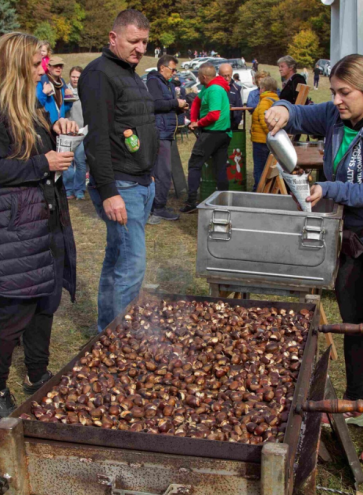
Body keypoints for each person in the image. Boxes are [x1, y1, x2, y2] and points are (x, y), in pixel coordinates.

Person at [264, 53, 363, 467]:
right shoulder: (335, 117)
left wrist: (329, 189)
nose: (336, 100)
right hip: (353, 238)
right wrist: (282, 109)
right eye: (333, 92)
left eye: (344, 93)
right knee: (354, 326)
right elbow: (299, 114)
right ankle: (356, 404)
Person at [0, 32, 78, 417]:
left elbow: (36, 144)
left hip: (44, 221)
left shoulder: (31, 106)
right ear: (18, 62)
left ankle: (37, 374)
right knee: (13, 314)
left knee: (45, 302)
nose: (45, 63)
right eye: (39, 57)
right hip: (13, 231)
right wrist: (44, 163)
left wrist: (59, 129)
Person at [79, 10, 158, 335]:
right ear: (113, 38)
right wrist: (109, 191)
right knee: (131, 265)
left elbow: (135, 121)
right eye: (133, 41)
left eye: (144, 42)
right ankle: (119, 343)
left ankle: (105, 334)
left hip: (139, 180)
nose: (140, 48)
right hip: (120, 186)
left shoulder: (129, 72)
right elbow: (96, 139)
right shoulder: (100, 75)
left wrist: (147, 172)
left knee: (117, 260)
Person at [180, 62, 232, 213]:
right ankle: (224, 202)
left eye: (198, 75)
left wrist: (198, 123)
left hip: (213, 133)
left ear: (203, 76)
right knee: (220, 167)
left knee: (194, 165)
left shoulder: (214, 89)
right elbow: (196, 101)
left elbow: (214, 115)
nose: (197, 77)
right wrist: (193, 118)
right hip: (222, 134)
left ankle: (191, 202)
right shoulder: (209, 87)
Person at [145, 54, 187, 223]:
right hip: (160, 132)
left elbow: (165, 106)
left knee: (162, 171)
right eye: (172, 69)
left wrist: (178, 109)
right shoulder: (154, 82)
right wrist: (176, 104)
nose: (174, 73)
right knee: (163, 171)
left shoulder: (165, 83)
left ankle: (157, 206)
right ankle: (158, 208)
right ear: (162, 68)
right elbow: (155, 104)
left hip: (166, 131)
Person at [249, 76, 279, 191]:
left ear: (263, 89)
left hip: (261, 142)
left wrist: (272, 135)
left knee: (260, 170)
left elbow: (265, 121)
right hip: (269, 142)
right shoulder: (276, 100)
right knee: (268, 170)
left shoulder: (264, 102)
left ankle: (259, 191)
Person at [63, 65, 87, 200]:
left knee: (80, 162)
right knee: (68, 163)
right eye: (73, 76)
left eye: (78, 77)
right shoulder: (65, 91)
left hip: (82, 132)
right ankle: (68, 190)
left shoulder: (86, 92)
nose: (75, 79)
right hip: (67, 133)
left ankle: (79, 190)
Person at [37, 56, 73, 124]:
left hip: (59, 125)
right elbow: (36, 104)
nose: (58, 68)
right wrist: (44, 93)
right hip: (47, 124)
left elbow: (62, 108)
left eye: (60, 66)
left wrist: (70, 101)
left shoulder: (62, 85)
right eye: (55, 65)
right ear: (48, 67)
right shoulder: (42, 84)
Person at [218, 63, 243, 130]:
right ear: (219, 75)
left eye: (229, 75)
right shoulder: (214, 88)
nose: (227, 78)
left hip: (233, 124)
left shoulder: (237, 88)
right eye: (224, 76)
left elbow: (240, 107)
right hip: (218, 125)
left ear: (232, 74)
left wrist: (236, 122)